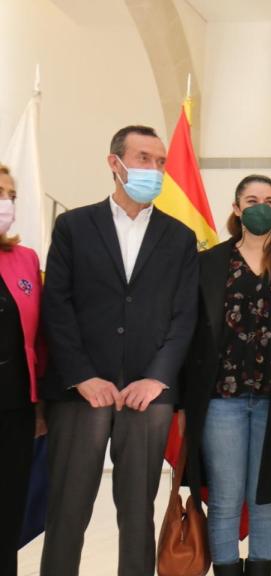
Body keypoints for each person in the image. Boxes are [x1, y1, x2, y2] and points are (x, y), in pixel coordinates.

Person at [39, 125, 198, 575]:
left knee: (137, 514)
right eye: (144, 158)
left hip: (149, 395)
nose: (155, 168)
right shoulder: (73, 226)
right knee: (68, 510)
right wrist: (82, 375)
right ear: (115, 162)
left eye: (161, 161)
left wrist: (157, 377)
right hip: (80, 392)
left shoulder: (180, 237)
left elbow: (184, 316)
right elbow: (58, 306)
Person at [182, 175, 271, 575]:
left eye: (269, 199)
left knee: (267, 498)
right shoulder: (210, 262)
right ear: (236, 208)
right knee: (227, 498)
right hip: (220, 399)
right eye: (251, 199)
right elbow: (190, 332)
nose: (260, 205)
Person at [0, 163, 46, 575]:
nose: (6, 203)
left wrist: (41, 409)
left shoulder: (25, 260)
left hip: (14, 408)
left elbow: (39, 338)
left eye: (11, 196)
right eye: (0, 193)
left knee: (7, 514)